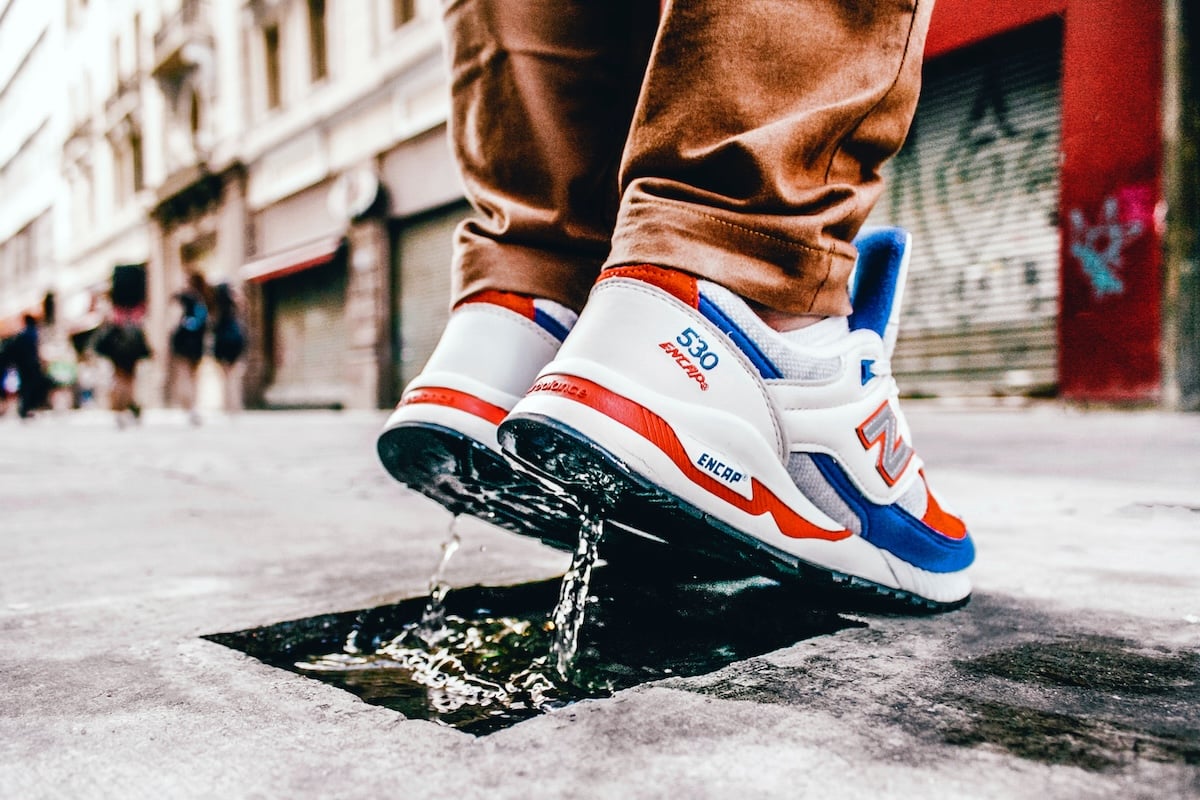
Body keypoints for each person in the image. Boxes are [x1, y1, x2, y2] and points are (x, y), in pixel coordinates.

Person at [376, 0, 974, 610]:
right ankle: (751, 287)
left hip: (531, 284)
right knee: (747, 226)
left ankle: (536, 297)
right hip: (720, 328)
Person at [93, 302, 151, 427]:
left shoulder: (115, 325)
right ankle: (127, 408)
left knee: (122, 384)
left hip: (121, 357)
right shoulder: (133, 325)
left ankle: (123, 408)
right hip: (128, 357)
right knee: (127, 384)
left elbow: (102, 344)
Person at [169, 272, 210, 426]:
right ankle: (194, 407)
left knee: (183, 375)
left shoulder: (182, 298)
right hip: (197, 344)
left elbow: (174, 322)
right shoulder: (202, 299)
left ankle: (188, 408)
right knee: (193, 376)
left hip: (183, 342)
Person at [211, 282, 247, 414]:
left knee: (226, 376)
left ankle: (227, 406)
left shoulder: (217, 306)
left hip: (222, 341)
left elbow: (213, 325)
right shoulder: (235, 304)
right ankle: (235, 405)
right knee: (234, 376)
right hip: (235, 340)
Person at [8, 315, 47, 420]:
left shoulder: (22, 335)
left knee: (26, 387)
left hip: (23, 366)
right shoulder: (34, 334)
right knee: (31, 387)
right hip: (32, 365)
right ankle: (29, 408)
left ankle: (25, 408)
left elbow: (14, 350)